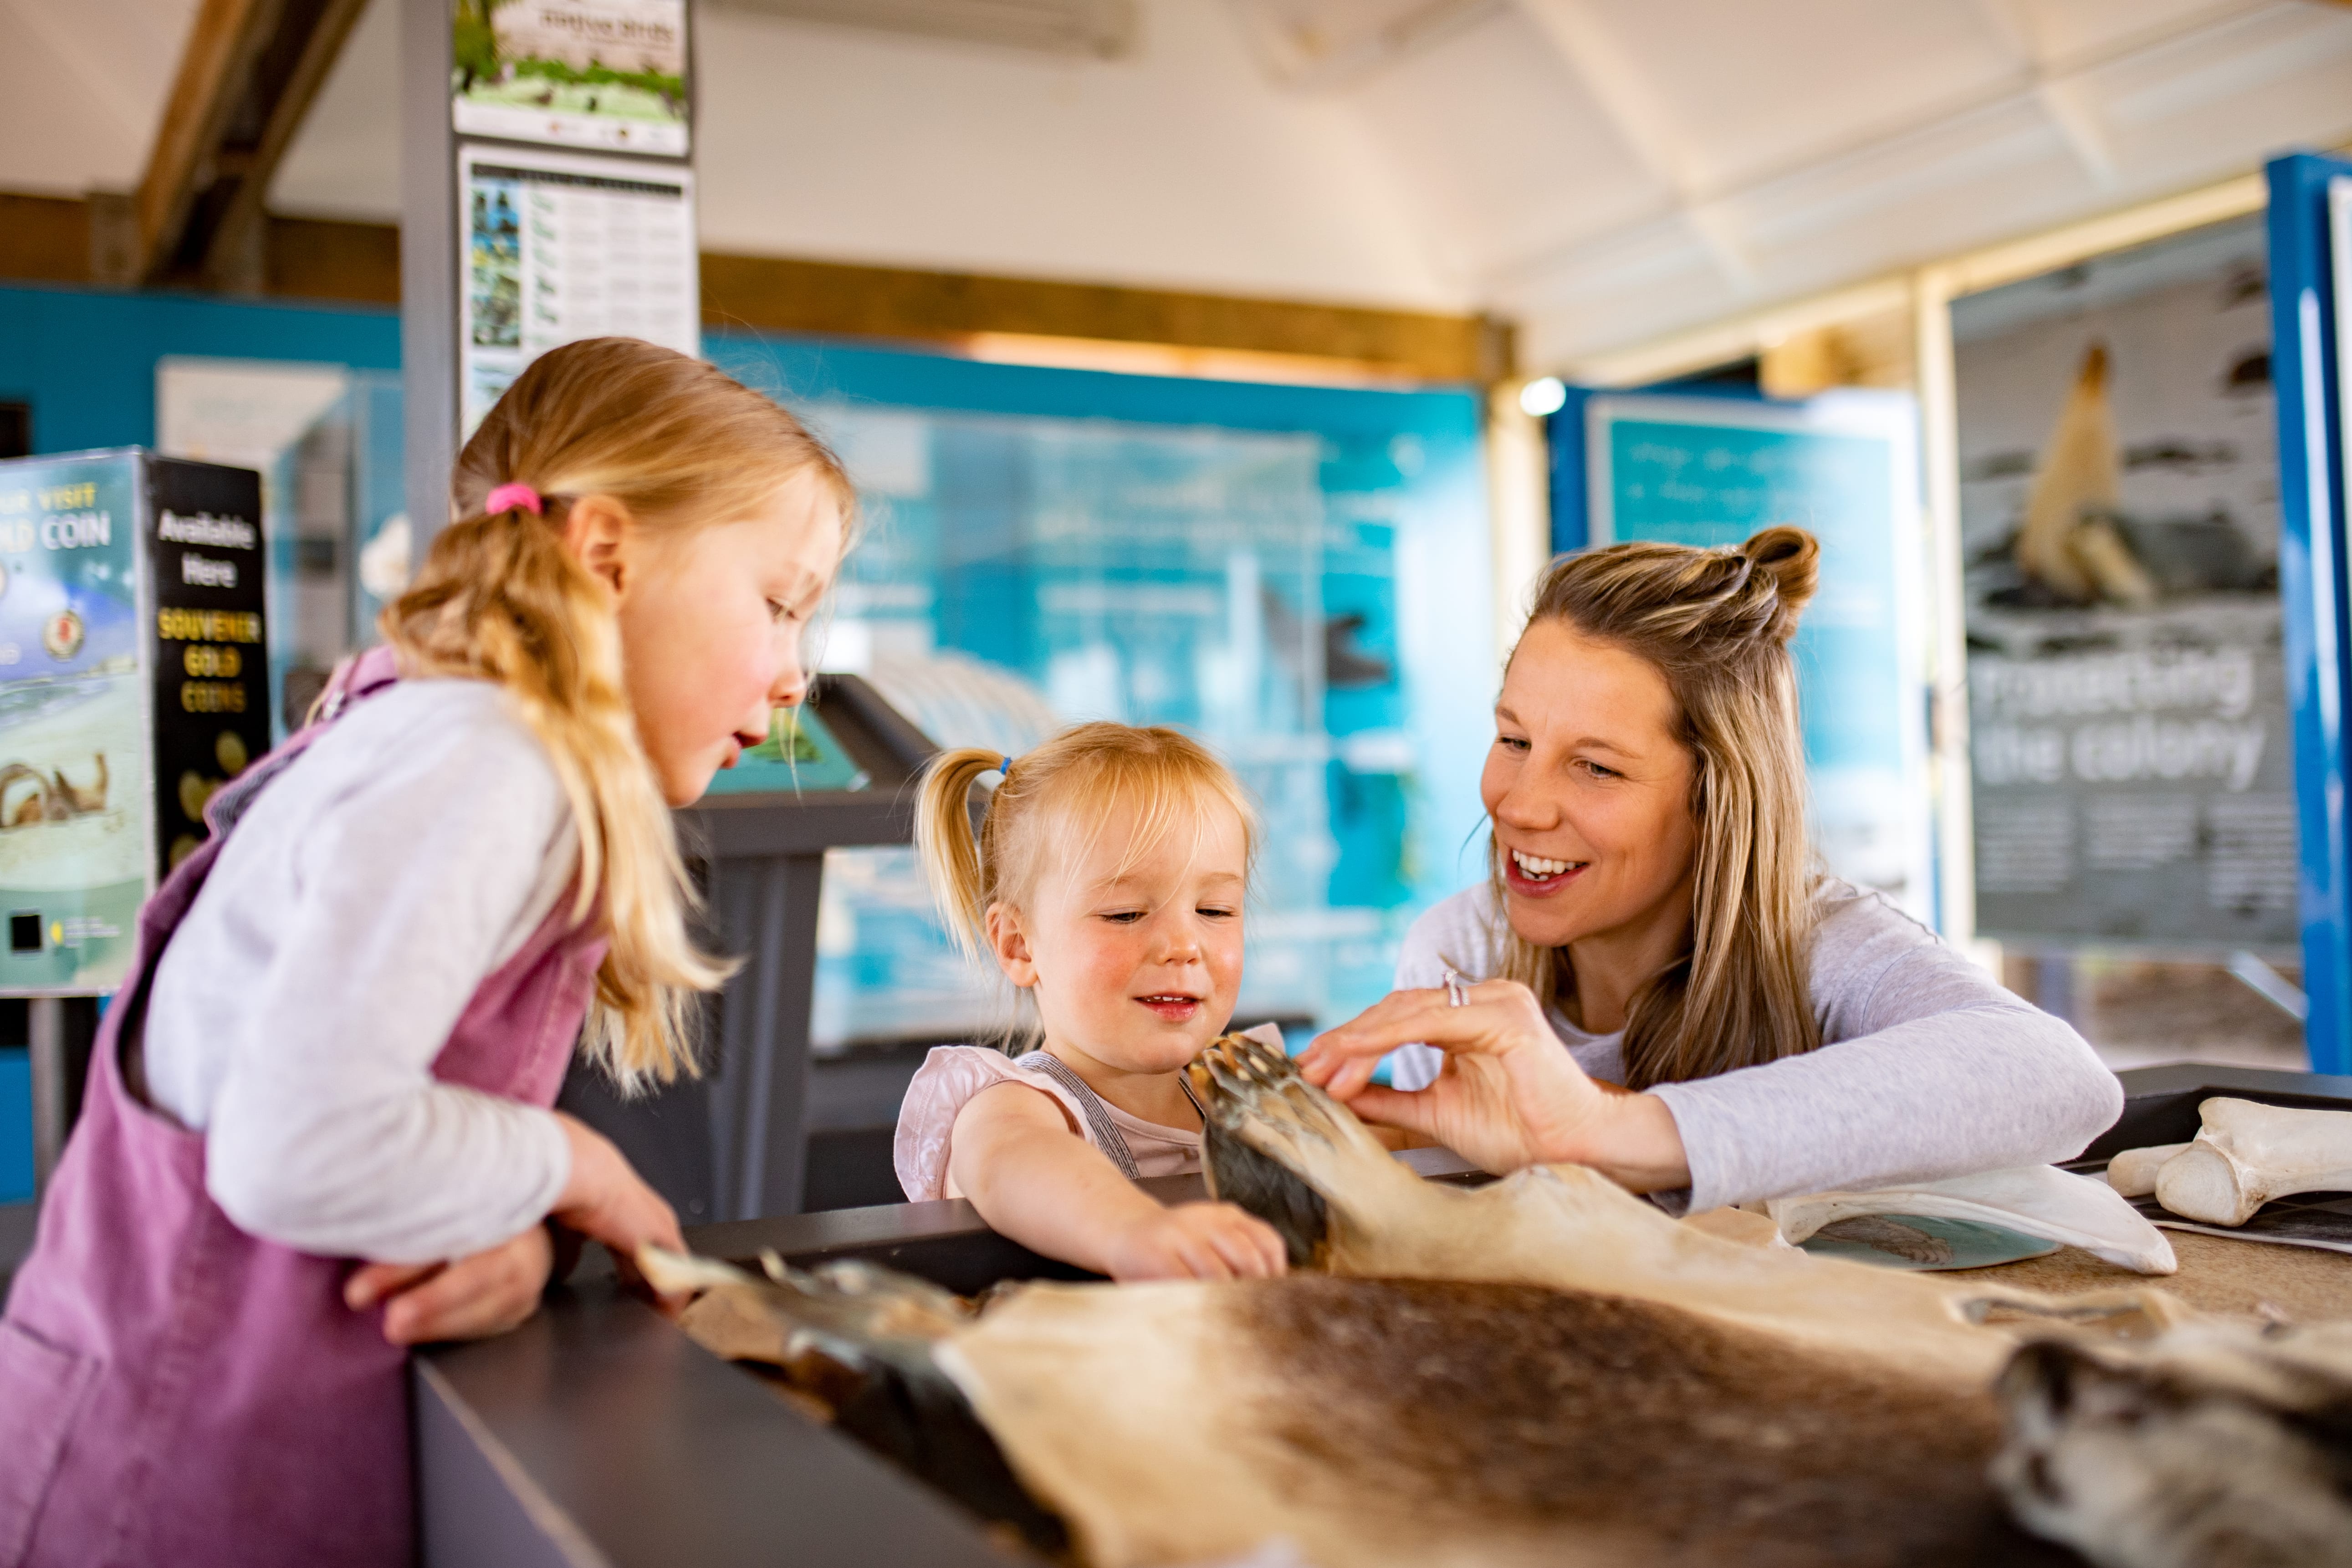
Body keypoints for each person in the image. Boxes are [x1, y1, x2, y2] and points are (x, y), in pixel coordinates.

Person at [0, 338, 853, 1568]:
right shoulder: (489, 760)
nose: (791, 680)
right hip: (161, 1490)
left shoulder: (421, 725)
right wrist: (574, 1165)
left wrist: (523, 1234)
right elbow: (294, 1146)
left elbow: (375, 1134)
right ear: (606, 553)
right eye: (778, 603)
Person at [1299, 525, 2122, 1215]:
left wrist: (1599, 1129)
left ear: (1718, 798)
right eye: (1513, 739)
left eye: (1594, 767)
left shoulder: (1822, 945)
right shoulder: (1456, 950)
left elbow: (2060, 1078)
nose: (1518, 805)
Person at [893, 726, 1288, 1281]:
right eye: (1125, 913)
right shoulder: (1021, 1108)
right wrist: (1132, 1229)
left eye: (1216, 910)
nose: (1183, 945)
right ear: (1019, 944)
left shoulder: (1243, 1093)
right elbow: (1013, 1161)